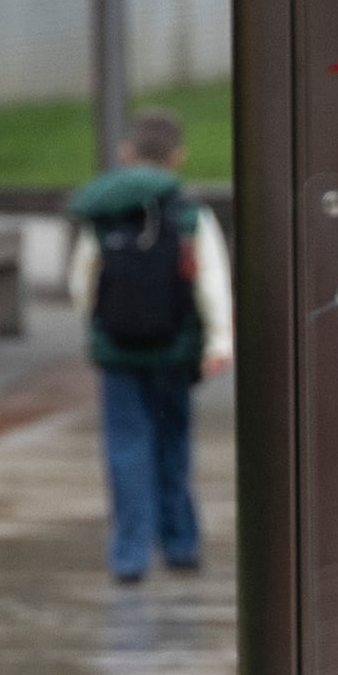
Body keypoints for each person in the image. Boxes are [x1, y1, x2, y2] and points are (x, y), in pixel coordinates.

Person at [64, 108, 237, 584]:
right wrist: (218, 341)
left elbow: (83, 281)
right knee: (173, 443)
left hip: (118, 351)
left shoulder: (102, 210)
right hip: (174, 349)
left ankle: (129, 555)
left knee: (125, 446)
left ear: (127, 152)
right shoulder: (188, 212)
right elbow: (212, 282)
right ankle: (181, 545)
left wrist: (96, 330)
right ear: (177, 156)